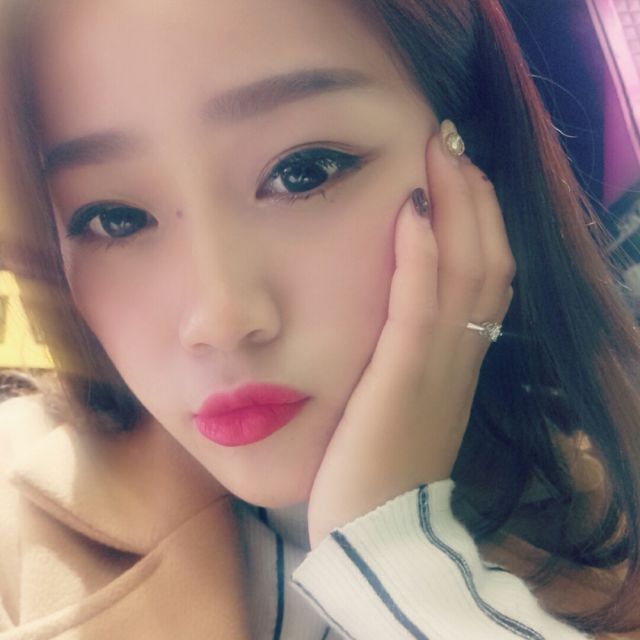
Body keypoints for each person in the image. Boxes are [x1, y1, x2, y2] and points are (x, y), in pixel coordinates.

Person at [0, 0, 639, 638]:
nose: (220, 319)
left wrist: (393, 552)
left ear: (471, 156)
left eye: (302, 173)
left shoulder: (610, 496)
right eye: (115, 218)